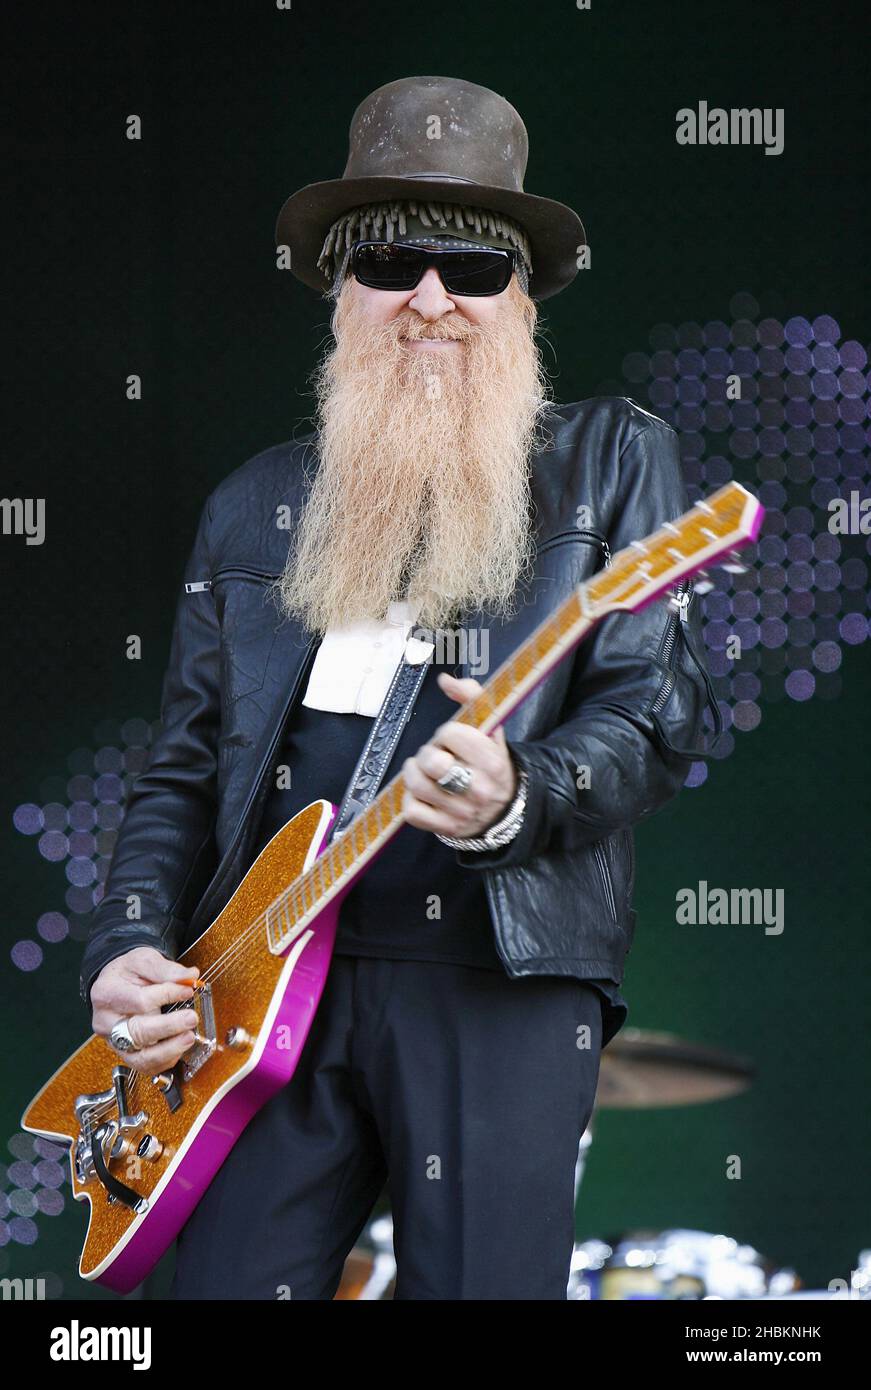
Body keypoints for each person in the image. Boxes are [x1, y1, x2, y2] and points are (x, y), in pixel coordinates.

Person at [80, 76, 716, 1300]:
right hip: (255, 983)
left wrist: (522, 793)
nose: (430, 299)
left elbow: (656, 710)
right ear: (339, 293)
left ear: (520, 299)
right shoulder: (251, 503)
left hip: (497, 971)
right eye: (391, 264)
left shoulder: (613, 457)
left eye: (473, 271)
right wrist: (126, 946)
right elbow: (179, 766)